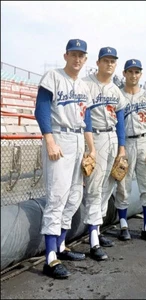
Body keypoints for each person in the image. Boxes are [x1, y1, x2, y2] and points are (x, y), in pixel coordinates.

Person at [34, 38, 96, 279]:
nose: (77, 58)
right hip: (59, 137)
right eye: (73, 54)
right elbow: (41, 109)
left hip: (78, 139)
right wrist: (49, 140)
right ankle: (49, 259)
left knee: (74, 196)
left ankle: (60, 246)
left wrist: (91, 148)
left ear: (85, 59)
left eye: (81, 55)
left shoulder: (83, 86)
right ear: (65, 56)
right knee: (57, 197)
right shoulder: (53, 76)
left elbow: (87, 118)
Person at [82, 46, 127, 261]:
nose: (109, 64)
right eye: (106, 60)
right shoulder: (86, 84)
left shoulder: (116, 90)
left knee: (109, 185)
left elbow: (121, 122)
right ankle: (92, 240)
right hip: (96, 137)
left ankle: (96, 232)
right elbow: (86, 118)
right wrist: (90, 147)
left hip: (112, 138)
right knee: (94, 187)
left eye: (113, 61)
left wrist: (122, 148)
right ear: (98, 62)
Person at [114, 59, 146, 243]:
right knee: (122, 187)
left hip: (144, 141)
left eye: (137, 72)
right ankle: (124, 225)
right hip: (124, 144)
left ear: (140, 74)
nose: (133, 75)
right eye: (130, 71)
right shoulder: (118, 95)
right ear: (124, 74)